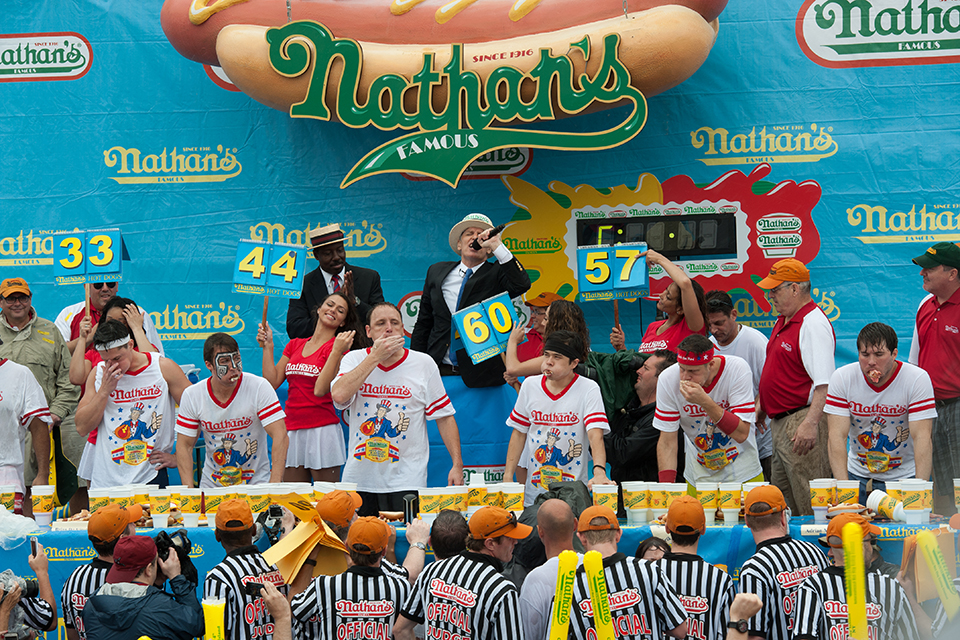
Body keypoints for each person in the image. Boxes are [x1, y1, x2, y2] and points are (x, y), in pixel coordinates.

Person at [332, 302, 464, 516]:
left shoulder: (423, 363)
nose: (388, 328)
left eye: (394, 323)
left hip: (406, 480)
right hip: (360, 479)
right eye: (380, 323)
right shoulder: (354, 359)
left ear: (403, 329)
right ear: (368, 331)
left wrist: (457, 464)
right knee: (360, 542)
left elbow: (444, 417)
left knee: (404, 540)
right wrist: (374, 358)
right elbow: (339, 395)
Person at [411, 212, 531, 388]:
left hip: (483, 376)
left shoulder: (496, 273)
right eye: (469, 233)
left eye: (481, 235)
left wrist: (497, 245)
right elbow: (424, 322)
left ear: (488, 248)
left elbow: (521, 284)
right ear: (459, 244)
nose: (475, 238)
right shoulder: (436, 271)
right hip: (437, 372)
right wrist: (415, 366)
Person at [755, 258, 835, 516]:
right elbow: (779, 372)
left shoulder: (812, 323)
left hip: (801, 419)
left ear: (794, 289)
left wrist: (811, 423)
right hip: (782, 422)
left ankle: (818, 552)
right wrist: (762, 407)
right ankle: (791, 552)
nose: (770, 296)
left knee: (809, 497)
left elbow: (824, 384)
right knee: (783, 500)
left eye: (775, 290)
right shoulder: (786, 319)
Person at [826, 322, 936, 503]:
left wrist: (920, 490)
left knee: (908, 529)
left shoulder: (917, 379)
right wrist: (843, 487)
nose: (871, 362)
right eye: (864, 354)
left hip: (904, 474)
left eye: (879, 354)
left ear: (894, 354)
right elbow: (836, 436)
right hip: (857, 473)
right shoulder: (842, 377)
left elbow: (922, 437)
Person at [74, 320, 191, 489]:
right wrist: (105, 391)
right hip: (107, 477)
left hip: (150, 475)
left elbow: (197, 413)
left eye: (117, 358)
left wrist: (178, 457)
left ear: (130, 345)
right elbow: (81, 427)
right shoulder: (99, 373)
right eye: (106, 360)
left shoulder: (162, 368)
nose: (112, 366)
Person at [504, 331, 613, 506]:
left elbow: (595, 435)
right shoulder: (530, 386)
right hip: (535, 493)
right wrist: (508, 476)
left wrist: (599, 471)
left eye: (557, 357)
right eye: (546, 355)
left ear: (574, 363)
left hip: (574, 492)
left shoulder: (588, 388)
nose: (548, 361)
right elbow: (518, 433)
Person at [0, 277, 81, 512]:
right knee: (18, 490)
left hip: (46, 424)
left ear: (30, 299)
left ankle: (51, 541)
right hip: (7, 427)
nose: (17, 302)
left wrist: (54, 414)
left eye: (22, 297)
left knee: (59, 484)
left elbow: (69, 380)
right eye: (11, 298)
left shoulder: (49, 331)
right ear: (1, 302)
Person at [260, 291, 358, 482]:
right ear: (319, 308)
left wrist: (337, 351)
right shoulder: (295, 344)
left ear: (343, 322)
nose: (333, 311)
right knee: (295, 501)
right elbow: (272, 382)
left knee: (327, 503)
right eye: (329, 305)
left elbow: (320, 390)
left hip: (322, 430)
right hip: (292, 429)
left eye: (340, 310)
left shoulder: (337, 350)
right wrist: (268, 346)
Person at [394, 505, 531, 640]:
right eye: (510, 538)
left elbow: (400, 630)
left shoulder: (432, 570)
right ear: (490, 544)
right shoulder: (502, 590)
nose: (516, 542)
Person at [175, 333, 288, 488]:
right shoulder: (193, 395)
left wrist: (275, 485)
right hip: (213, 486)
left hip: (256, 484)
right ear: (209, 365)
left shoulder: (259, 387)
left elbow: (280, 434)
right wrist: (188, 491)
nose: (234, 368)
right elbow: (184, 445)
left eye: (236, 358)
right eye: (225, 361)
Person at [654, 334, 762, 487]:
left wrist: (704, 401)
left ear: (710, 364)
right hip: (698, 475)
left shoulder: (737, 369)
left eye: (693, 371)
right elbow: (667, 441)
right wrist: (667, 488)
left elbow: (742, 433)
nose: (685, 377)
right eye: (682, 369)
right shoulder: (668, 379)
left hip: (743, 472)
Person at [568, 504, 688, 640]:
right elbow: (680, 630)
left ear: (581, 537)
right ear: (618, 534)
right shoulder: (648, 570)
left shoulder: (568, 587)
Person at [793, 513, 918, 639]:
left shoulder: (812, 586)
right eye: (871, 541)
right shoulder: (891, 587)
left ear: (831, 552)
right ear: (862, 546)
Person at [290, 516, 410, 640]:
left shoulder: (324, 584)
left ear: (346, 546)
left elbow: (293, 611)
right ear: (384, 551)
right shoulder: (401, 587)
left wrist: (310, 559)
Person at [737, 485, 828, 640]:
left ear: (747, 521)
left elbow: (754, 636)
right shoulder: (815, 552)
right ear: (783, 517)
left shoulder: (754, 569)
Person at [909, 241, 960, 514]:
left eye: (929, 268)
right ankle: (947, 543)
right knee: (938, 482)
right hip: (929, 408)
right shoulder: (924, 305)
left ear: (952, 274)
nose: (922, 273)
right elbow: (914, 361)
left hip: (959, 403)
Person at [81, 535, 204, 640]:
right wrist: (177, 579)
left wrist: (155, 585)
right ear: (149, 569)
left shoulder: (92, 604)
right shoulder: (161, 607)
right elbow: (197, 625)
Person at [705, 290, 773, 481]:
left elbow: (768, 384)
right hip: (724, 445)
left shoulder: (755, 342)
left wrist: (755, 412)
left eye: (719, 323)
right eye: (710, 325)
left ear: (733, 315)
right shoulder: (708, 347)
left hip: (760, 439)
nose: (714, 330)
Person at [286, 222, 385, 340]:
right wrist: (328, 318)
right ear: (316, 255)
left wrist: (355, 302)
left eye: (340, 250)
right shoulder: (303, 285)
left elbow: (380, 320)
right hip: (320, 355)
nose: (337, 257)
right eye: (328, 253)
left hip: (361, 352)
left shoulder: (369, 278)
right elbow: (295, 328)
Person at [204, 499, 286, 640]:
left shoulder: (218, 578)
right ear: (254, 530)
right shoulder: (277, 565)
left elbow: (216, 634)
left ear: (217, 536)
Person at [658, 495, 735, 640]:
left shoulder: (646, 573)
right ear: (703, 529)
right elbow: (728, 634)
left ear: (667, 528)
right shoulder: (720, 579)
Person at [61, 503, 141, 640]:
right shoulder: (134, 580)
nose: (135, 527)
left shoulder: (75, 577)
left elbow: (72, 634)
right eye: (131, 524)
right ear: (123, 540)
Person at [605, 349, 678, 489]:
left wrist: (596, 427)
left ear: (662, 378)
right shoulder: (628, 410)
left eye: (645, 368)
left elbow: (622, 454)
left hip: (651, 502)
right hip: (623, 497)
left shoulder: (664, 418)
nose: (638, 371)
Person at [610, 250, 707, 354]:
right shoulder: (653, 326)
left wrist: (659, 259)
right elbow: (642, 367)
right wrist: (621, 347)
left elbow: (685, 283)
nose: (661, 295)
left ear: (681, 308)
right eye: (665, 290)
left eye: (668, 296)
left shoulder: (691, 328)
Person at [518, 499, 580, 640]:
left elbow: (528, 634)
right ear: (575, 524)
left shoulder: (536, 579)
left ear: (540, 531)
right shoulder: (595, 568)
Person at [0, 356, 52, 514]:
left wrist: (43, 473)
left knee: (8, 536)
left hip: (6, 476)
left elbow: (39, 427)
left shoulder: (19, 374)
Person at [55, 281, 164, 355]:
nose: (105, 288)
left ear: (117, 285)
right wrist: (86, 339)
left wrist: (137, 329)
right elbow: (55, 355)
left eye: (110, 284)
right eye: (98, 284)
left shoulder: (137, 313)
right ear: (86, 286)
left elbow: (157, 359)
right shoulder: (69, 314)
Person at [0, 542, 57, 636]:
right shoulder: (7, 599)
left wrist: (41, 572)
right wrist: (5, 611)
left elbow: (48, 620)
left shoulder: (6, 592)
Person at [515, 292, 562, 363]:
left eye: (537, 312)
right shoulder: (522, 336)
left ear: (553, 316)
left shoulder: (566, 341)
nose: (532, 316)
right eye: (533, 311)